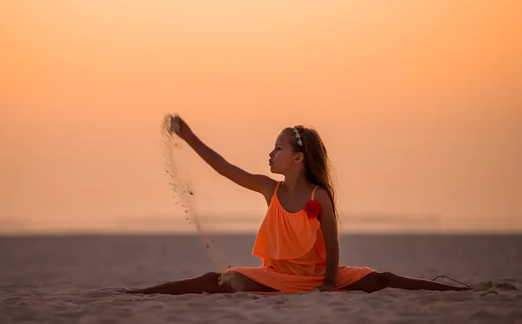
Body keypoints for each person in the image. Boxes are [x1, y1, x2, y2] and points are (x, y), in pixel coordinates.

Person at [125, 116, 470, 294]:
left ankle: (464, 290)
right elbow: (225, 168)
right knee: (217, 281)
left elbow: (332, 243)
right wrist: (188, 135)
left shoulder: (319, 195)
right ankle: (137, 293)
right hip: (276, 276)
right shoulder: (268, 189)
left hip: (320, 277)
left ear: (299, 157)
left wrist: (330, 285)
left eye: (278, 149)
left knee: (381, 279)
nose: (271, 154)